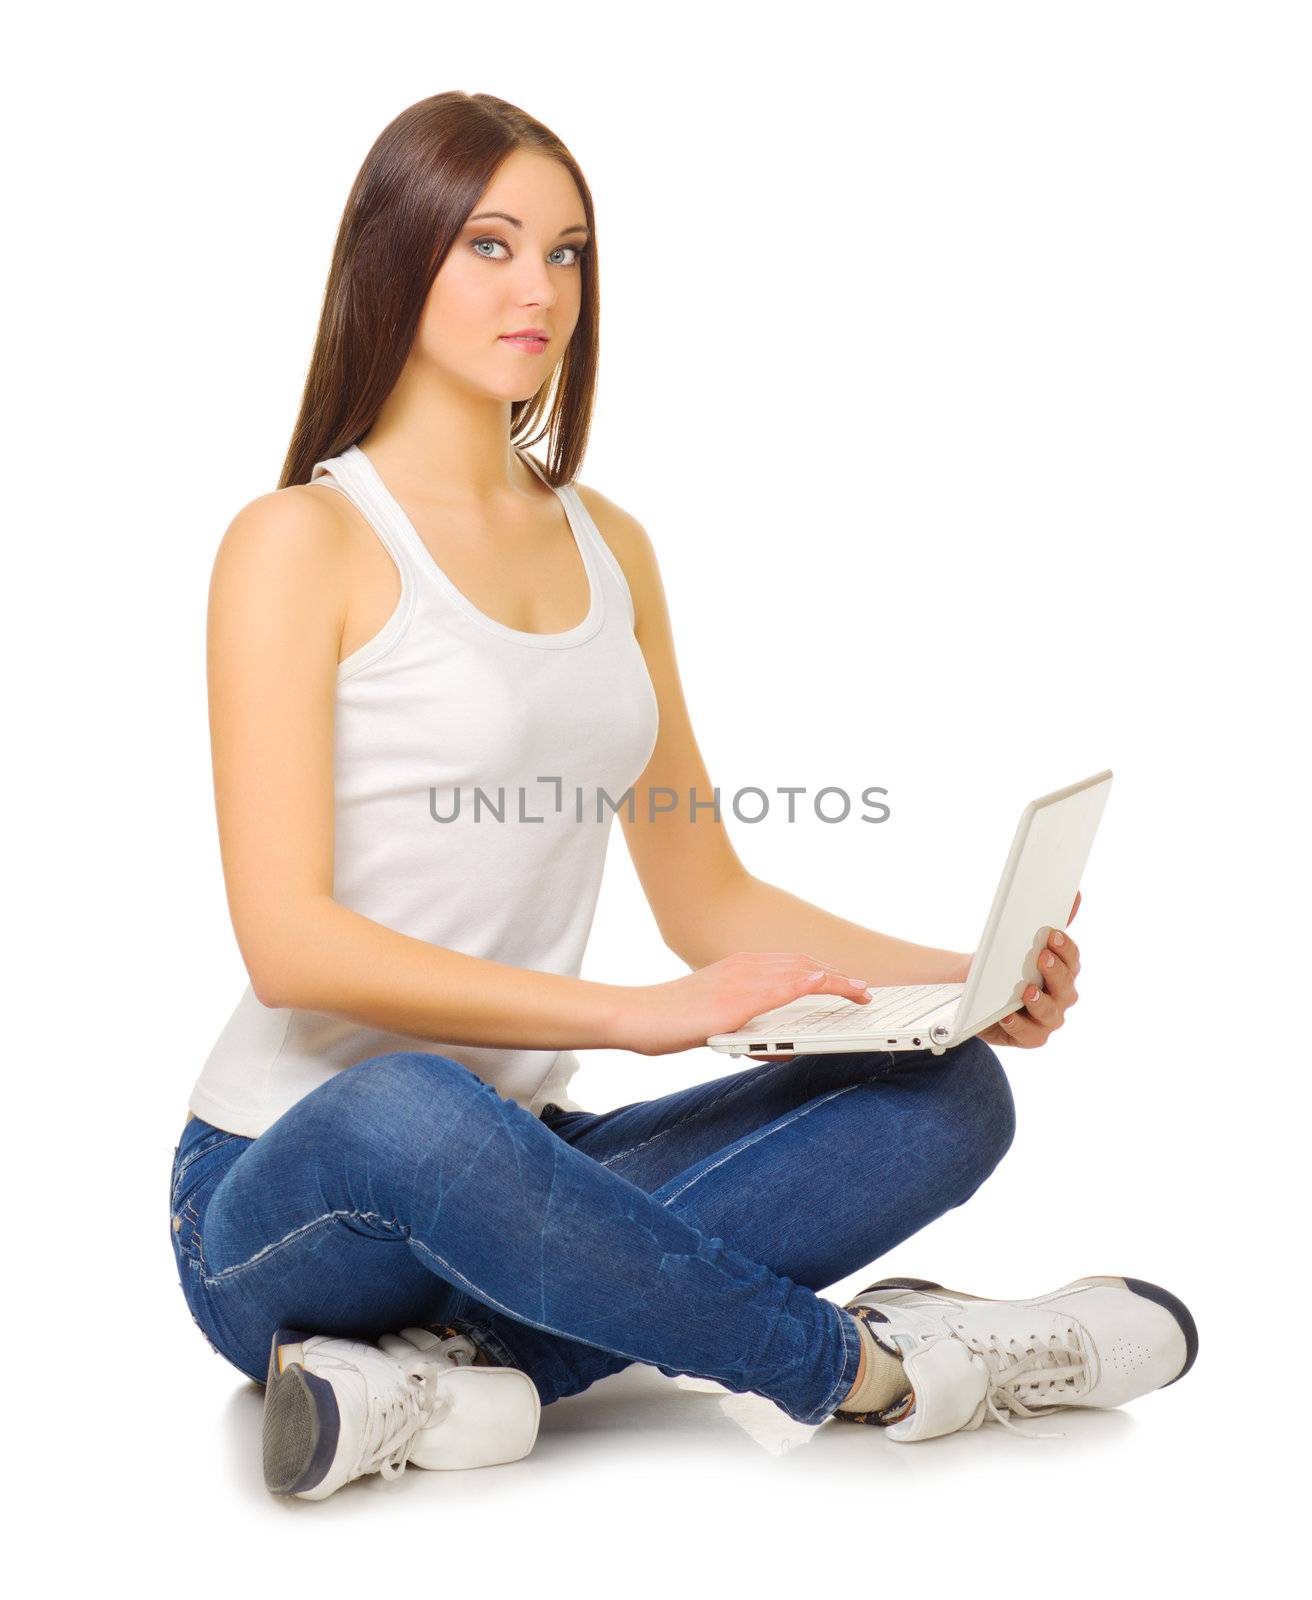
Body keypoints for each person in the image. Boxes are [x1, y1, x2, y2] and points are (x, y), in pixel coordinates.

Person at [169, 91, 1197, 1502]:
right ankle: (880, 1368)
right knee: (412, 1108)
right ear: (394, 256)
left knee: (948, 1099)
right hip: (289, 1189)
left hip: (526, 1171)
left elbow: (705, 895)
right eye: (491, 244)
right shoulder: (298, 541)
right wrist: (628, 1020)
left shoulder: (613, 548)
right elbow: (289, 943)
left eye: (570, 252)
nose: (541, 288)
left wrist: (968, 982)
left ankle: (431, 1382)